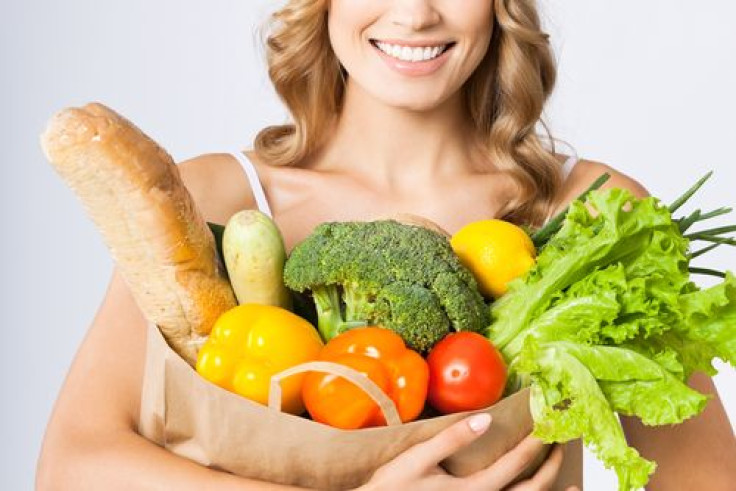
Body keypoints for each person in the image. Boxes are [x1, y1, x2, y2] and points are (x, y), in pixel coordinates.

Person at [37, 0, 736, 489]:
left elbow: (706, 478)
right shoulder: (220, 200)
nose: (414, 13)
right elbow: (72, 467)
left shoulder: (593, 214)